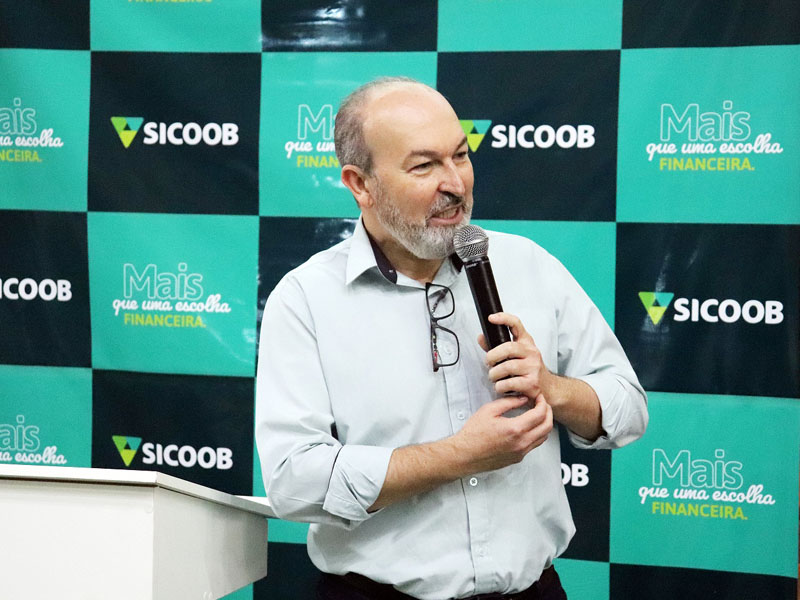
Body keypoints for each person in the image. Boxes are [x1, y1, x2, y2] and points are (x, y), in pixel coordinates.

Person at [256, 76, 648, 600]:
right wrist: (459, 455)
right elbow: (294, 481)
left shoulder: (528, 264)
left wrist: (552, 388)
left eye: (461, 156)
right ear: (360, 184)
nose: (456, 184)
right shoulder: (306, 298)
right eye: (424, 166)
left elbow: (629, 409)